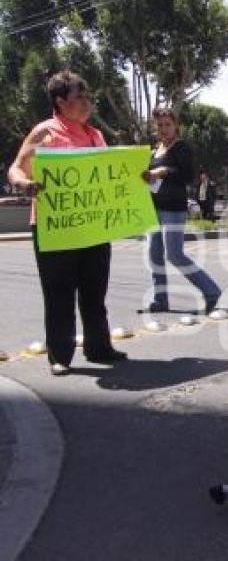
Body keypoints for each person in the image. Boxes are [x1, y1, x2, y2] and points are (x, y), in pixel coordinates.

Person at [7, 71, 127, 375]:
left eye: (88, 96)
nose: (88, 102)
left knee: (94, 291)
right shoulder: (45, 132)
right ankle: (59, 356)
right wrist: (24, 184)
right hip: (54, 226)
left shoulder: (95, 134)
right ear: (60, 102)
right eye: (80, 97)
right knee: (59, 293)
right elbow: (15, 169)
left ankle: (99, 347)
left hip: (93, 225)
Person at [142, 108, 222, 314]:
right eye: (159, 125)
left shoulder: (181, 147)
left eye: (167, 124)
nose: (163, 129)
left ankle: (211, 291)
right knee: (154, 256)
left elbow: (188, 175)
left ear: (176, 126)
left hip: (173, 209)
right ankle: (160, 300)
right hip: (153, 209)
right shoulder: (154, 149)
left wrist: (165, 171)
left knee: (175, 255)